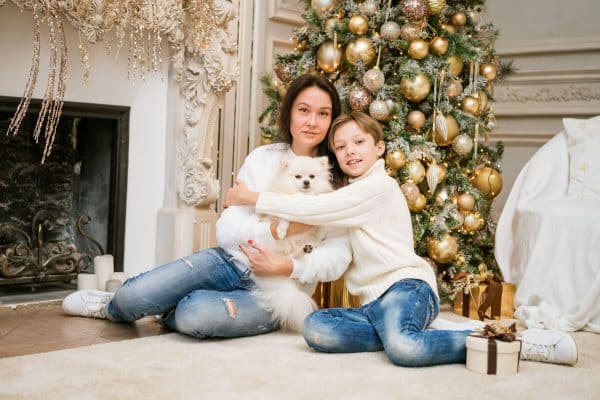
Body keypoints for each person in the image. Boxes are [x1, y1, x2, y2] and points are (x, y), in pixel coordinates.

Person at [225, 111, 578, 366]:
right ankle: (408, 328)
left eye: (359, 142)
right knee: (317, 328)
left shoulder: (377, 186)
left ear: (379, 148)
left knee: (405, 350)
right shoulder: (352, 194)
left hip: (407, 287)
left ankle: (511, 341)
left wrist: (255, 199)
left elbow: (322, 208)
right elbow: (333, 240)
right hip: (372, 304)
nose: (350, 151)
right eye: (341, 146)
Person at [62, 73, 352, 339]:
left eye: (323, 114)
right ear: (289, 112)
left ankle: (172, 304)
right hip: (228, 260)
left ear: (331, 120)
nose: (312, 121)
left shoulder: (338, 182)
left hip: (277, 290)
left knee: (196, 315)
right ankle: (113, 306)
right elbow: (227, 228)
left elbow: (337, 258)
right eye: (304, 110)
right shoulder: (263, 158)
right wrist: (277, 230)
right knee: (129, 298)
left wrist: (287, 266)